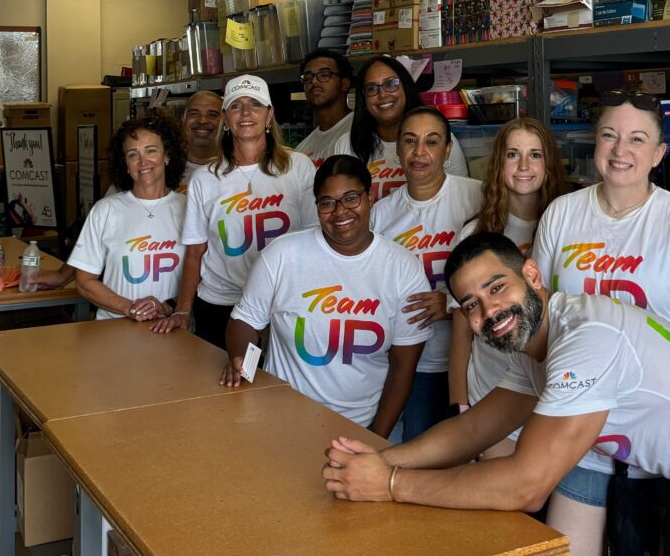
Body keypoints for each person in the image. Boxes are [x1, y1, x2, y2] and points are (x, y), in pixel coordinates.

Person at [323, 233, 670, 556]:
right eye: (470, 305)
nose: (487, 312)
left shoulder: (587, 339)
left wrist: (389, 484)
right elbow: (476, 427)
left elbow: (526, 485)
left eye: (497, 288)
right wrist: (385, 459)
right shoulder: (544, 337)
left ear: (533, 276)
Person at [531, 88, 670, 554]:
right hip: (576, 428)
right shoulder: (562, 213)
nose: (621, 151)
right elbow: (539, 320)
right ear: (594, 142)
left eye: (637, 140)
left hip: (653, 441)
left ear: (659, 153)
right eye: (609, 136)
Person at [220, 155, 431, 438]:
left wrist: (376, 440)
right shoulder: (282, 254)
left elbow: (403, 366)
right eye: (327, 202)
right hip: (279, 421)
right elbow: (245, 322)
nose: (340, 211)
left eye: (351, 198)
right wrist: (241, 361)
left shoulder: (403, 268)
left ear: (369, 198)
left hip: (360, 425)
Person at [151, 74, 317, 348]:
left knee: (274, 388)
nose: (246, 112)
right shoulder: (205, 178)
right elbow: (195, 251)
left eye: (255, 104)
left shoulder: (298, 167)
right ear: (225, 119)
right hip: (219, 304)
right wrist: (182, 309)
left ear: (269, 114)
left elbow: (313, 240)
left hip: (281, 301)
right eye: (236, 106)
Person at [448, 117, 566, 459]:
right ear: (499, 163)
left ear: (549, 164)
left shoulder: (567, 226)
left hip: (556, 394)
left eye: (536, 155)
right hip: (491, 393)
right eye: (513, 155)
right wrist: (461, 404)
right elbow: (460, 333)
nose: (525, 166)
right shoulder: (475, 235)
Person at [371, 107, 481, 440]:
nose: (420, 152)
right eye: (410, 141)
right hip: (407, 364)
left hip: (467, 362)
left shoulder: (476, 196)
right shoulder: (381, 214)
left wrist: (448, 302)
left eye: (432, 142)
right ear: (398, 150)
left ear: (448, 150)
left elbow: (502, 275)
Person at [67, 114, 187, 320]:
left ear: (167, 155)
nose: (142, 161)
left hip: (173, 330)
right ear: (125, 163)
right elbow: (85, 282)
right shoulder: (105, 210)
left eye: (151, 151)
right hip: (116, 330)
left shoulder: (189, 209)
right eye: (133, 154)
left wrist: (168, 307)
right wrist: (130, 308)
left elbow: (203, 276)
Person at [332, 56, 467, 201]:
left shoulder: (438, 139)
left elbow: (461, 199)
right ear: (363, 99)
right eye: (372, 88)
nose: (382, 94)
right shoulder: (347, 145)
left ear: (406, 88)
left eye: (391, 84)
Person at [294, 50, 354, 168]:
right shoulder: (301, 151)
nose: (314, 81)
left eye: (325, 75)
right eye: (308, 77)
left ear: (344, 84)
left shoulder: (362, 129)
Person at [180, 90, 223, 187]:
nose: (202, 120)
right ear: (183, 119)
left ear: (225, 122)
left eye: (212, 115)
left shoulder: (236, 169)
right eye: (194, 113)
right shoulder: (164, 167)